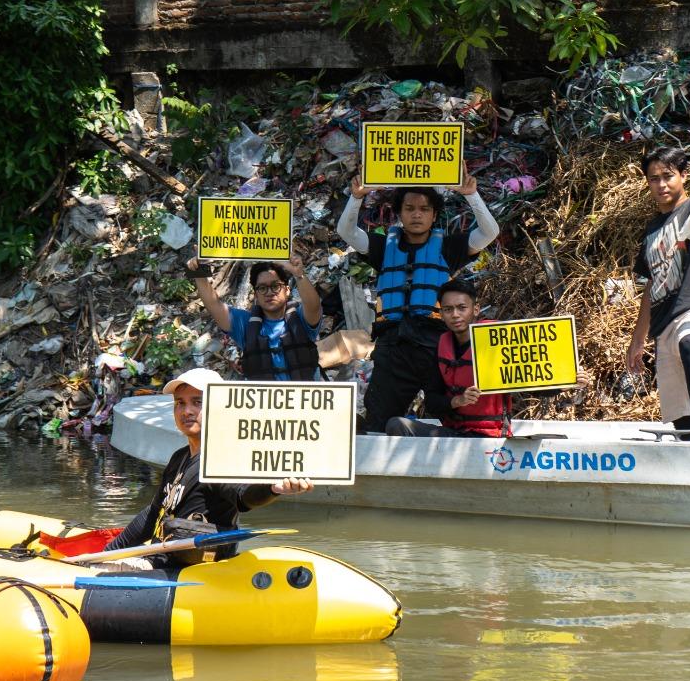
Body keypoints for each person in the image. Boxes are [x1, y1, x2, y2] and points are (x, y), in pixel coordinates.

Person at [337, 170, 500, 433]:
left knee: (452, 407)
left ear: (434, 215)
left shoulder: (448, 247)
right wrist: (356, 198)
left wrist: (472, 195)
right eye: (409, 208)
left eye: (424, 209)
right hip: (393, 347)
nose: (416, 214)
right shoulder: (382, 247)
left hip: (436, 345)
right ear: (399, 214)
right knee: (378, 420)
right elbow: (346, 231)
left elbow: (489, 232)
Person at [102, 368, 312, 567]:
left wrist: (272, 488)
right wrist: (109, 552)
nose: (187, 411)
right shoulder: (179, 457)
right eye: (180, 403)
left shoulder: (220, 460)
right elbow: (153, 514)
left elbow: (243, 495)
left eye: (197, 402)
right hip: (162, 557)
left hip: (187, 569)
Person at [626, 102, 690, 441]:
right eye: (653, 178)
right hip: (662, 327)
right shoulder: (650, 232)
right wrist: (637, 340)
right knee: (680, 422)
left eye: (668, 176)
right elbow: (650, 286)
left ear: (682, 176)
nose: (661, 184)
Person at [385, 277, 509, 438]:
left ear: (476, 309)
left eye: (462, 308)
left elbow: (544, 387)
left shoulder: (497, 340)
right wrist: (458, 401)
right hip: (454, 433)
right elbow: (432, 401)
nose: (455, 315)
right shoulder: (442, 346)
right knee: (396, 425)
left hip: (489, 435)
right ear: (441, 314)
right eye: (448, 309)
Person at [188, 256, 322, 381]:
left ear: (287, 290)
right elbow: (213, 305)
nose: (269, 292)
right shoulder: (245, 324)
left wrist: (299, 275)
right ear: (256, 295)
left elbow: (314, 305)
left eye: (275, 286)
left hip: (303, 402)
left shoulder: (300, 319)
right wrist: (199, 272)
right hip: (262, 404)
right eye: (262, 288)